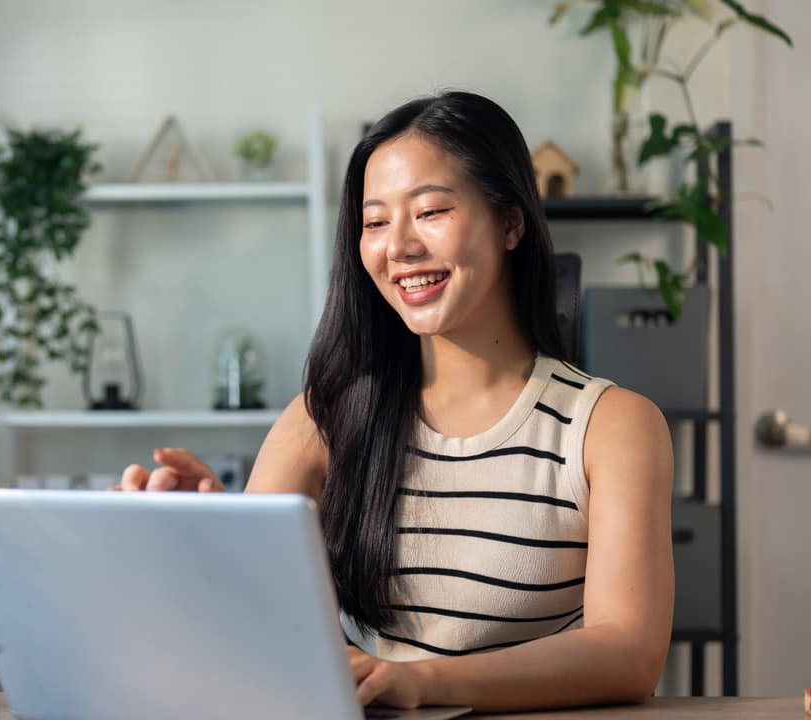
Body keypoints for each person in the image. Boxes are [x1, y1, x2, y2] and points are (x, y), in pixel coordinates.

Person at [116, 91, 674, 712]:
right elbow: (253, 627)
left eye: (431, 210)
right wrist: (199, 538)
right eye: (376, 222)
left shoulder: (610, 426)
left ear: (511, 222)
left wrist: (424, 681)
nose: (398, 247)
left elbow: (628, 654)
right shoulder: (321, 418)